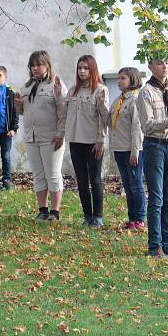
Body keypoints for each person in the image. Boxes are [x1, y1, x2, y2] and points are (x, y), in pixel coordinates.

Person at [137, 58, 168, 257]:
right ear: (150, 66)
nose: (164, 66)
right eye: (158, 62)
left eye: (167, 62)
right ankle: (154, 246)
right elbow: (148, 125)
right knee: (156, 199)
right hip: (154, 146)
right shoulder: (146, 92)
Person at [15, 50, 67, 222]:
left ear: (47, 65)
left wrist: (60, 134)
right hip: (32, 137)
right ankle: (42, 209)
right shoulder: (26, 87)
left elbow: (63, 111)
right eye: (32, 65)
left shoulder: (56, 84)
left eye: (39, 64)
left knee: (52, 174)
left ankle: (55, 211)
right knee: (38, 175)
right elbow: (23, 112)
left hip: (51, 137)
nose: (35, 68)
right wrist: (18, 106)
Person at [64, 55, 110, 227]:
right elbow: (64, 112)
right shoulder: (72, 90)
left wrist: (101, 140)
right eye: (79, 68)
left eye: (86, 68)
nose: (82, 71)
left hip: (93, 141)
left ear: (92, 69)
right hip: (75, 140)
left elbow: (104, 118)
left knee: (95, 179)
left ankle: (98, 216)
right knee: (81, 180)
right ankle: (87, 215)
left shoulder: (100, 90)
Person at [108, 67, 145, 230]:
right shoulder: (118, 100)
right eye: (118, 78)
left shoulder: (135, 100)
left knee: (136, 184)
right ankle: (132, 218)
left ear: (132, 80)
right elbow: (109, 122)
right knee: (128, 185)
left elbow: (136, 127)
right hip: (119, 148)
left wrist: (135, 150)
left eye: (123, 78)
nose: (119, 81)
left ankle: (140, 219)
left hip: (132, 149)